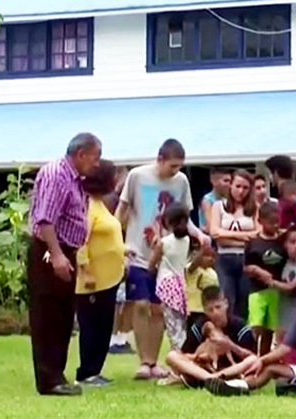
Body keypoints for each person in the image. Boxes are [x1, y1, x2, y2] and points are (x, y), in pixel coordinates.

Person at [116, 139, 209, 380]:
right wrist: (118, 242)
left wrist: (199, 234)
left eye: (179, 166)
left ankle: (152, 361)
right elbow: (122, 211)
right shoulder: (137, 176)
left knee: (159, 309)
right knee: (140, 304)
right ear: (160, 159)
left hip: (167, 257)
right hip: (138, 252)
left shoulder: (181, 182)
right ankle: (142, 360)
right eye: (172, 166)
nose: (176, 171)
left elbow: (185, 219)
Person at [28, 132, 101, 396]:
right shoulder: (56, 174)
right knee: (48, 313)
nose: (97, 164)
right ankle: (48, 379)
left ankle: (57, 374)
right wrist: (56, 255)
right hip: (49, 250)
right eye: (95, 157)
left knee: (62, 315)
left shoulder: (74, 179)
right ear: (81, 154)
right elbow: (45, 219)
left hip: (65, 250)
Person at [74, 159, 125, 387]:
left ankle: (95, 370)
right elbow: (80, 241)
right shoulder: (87, 207)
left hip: (109, 279)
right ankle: (86, 371)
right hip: (93, 281)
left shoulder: (100, 204)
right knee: (92, 326)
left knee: (103, 326)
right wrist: (86, 271)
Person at [165, 287, 258, 390]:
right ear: (204, 310)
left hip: (232, 369)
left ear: (226, 304)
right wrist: (199, 357)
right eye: (210, 310)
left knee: (253, 360)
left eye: (218, 307)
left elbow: (253, 356)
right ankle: (211, 378)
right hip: (205, 369)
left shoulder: (240, 327)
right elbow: (184, 354)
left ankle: (214, 378)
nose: (215, 313)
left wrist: (230, 345)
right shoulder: (199, 327)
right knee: (172, 356)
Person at [209, 170, 259, 319]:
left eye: (245, 188)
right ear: (231, 185)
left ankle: (241, 331)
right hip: (225, 258)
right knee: (227, 299)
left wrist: (227, 235)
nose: (241, 191)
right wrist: (244, 236)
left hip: (246, 258)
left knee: (244, 300)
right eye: (238, 186)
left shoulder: (254, 207)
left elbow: (258, 234)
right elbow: (215, 232)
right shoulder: (218, 206)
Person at [244, 202, 286, 355]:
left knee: (270, 329)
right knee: (256, 326)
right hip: (257, 291)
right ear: (260, 221)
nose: (275, 226)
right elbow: (246, 267)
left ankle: (264, 358)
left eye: (277, 222)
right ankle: (250, 356)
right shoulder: (253, 243)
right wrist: (258, 271)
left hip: (276, 291)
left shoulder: (281, 242)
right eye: (271, 222)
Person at [150, 203, 192, 352]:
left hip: (167, 284)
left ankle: (179, 355)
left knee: (172, 325)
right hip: (181, 284)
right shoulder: (187, 241)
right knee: (181, 324)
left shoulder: (164, 243)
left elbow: (151, 264)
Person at [270, 226, 296, 364]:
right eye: (292, 242)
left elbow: (290, 288)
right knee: (289, 361)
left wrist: (270, 281)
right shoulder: (281, 264)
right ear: (285, 244)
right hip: (285, 321)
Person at [109, 166, 135, 355]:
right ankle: (112, 338)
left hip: (131, 252)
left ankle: (122, 338)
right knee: (117, 301)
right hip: (117, 253)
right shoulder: (111, 202)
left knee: (129, 300)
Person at [185, 246, 219, 330]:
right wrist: (202, 251)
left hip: (208, 310)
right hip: (194, 310)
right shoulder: (193, 270)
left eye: (212, 257)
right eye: (207, 256)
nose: (210, 259)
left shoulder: (213, 273)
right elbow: (194, 264)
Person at [198, 167, 232, 234]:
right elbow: (211, 227)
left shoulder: (230, 199)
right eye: (226, 181)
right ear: (214, 181)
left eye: (231, 181)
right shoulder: (207, 200)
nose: (229, 185)